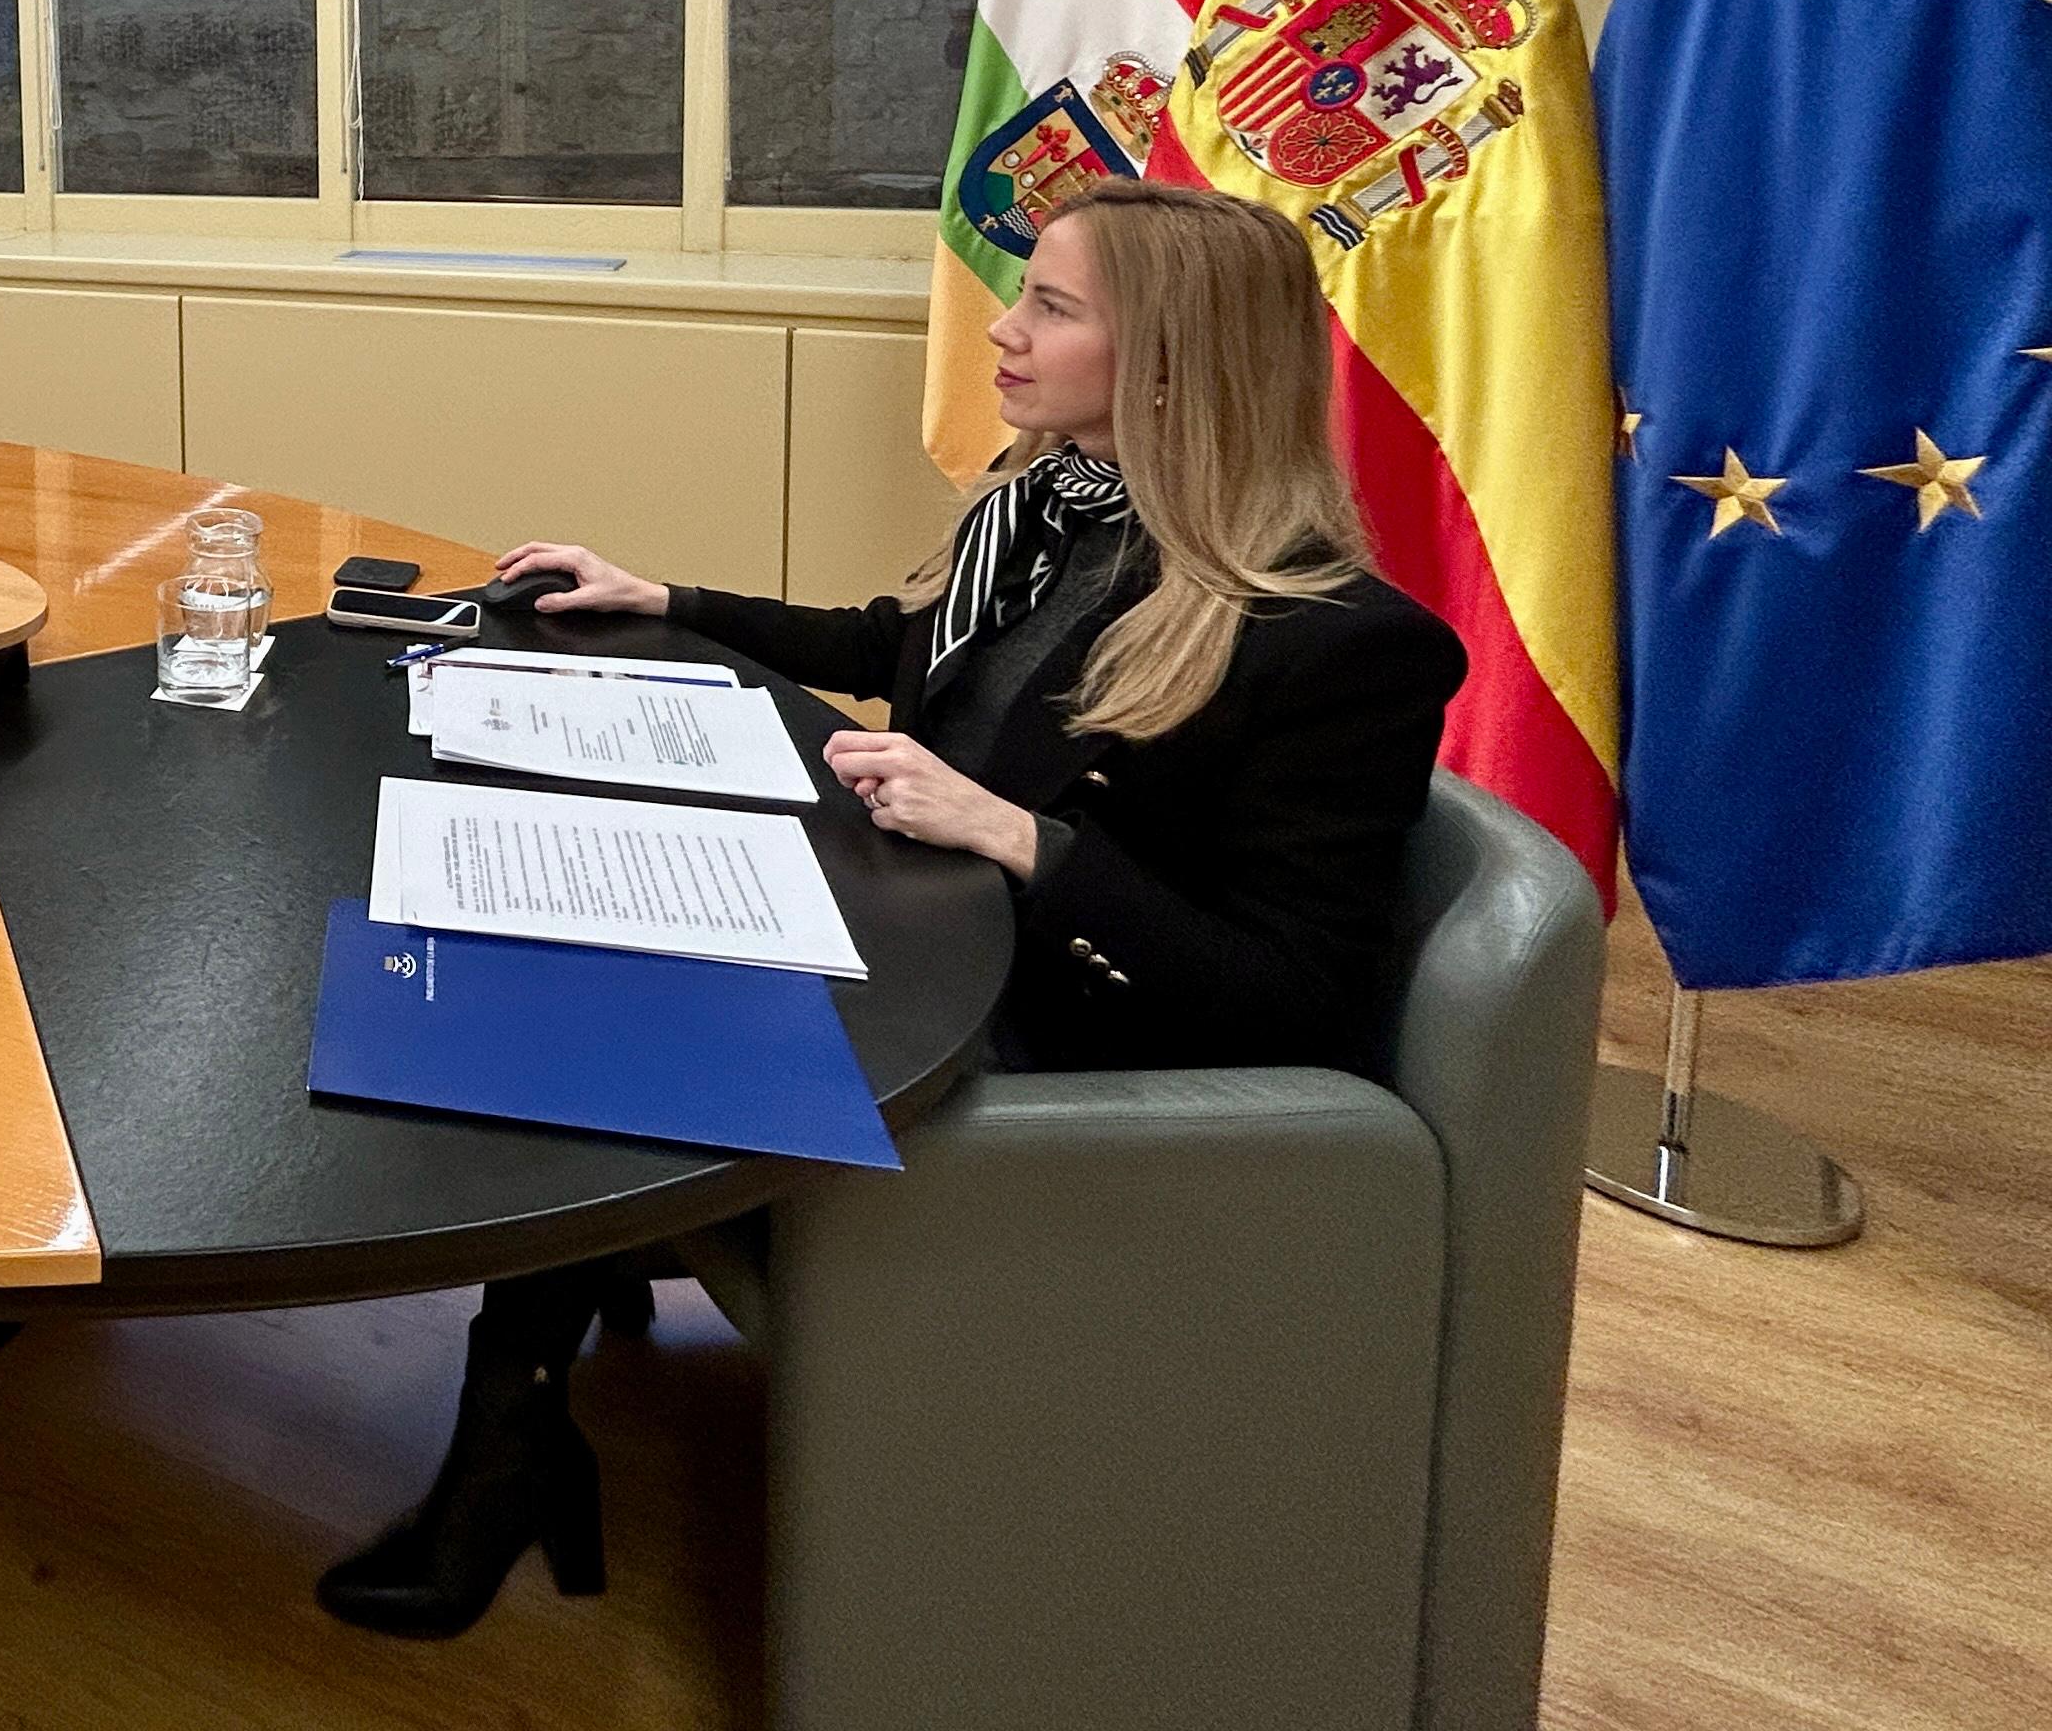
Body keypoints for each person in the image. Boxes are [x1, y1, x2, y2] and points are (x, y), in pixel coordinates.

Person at [316, 178, 1461, 1639]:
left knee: (539, 1015)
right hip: (919, 946)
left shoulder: (1333, 642)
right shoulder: (1060, 511)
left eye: (1051, 306)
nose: (1002, 326)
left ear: (1169, 363)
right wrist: (659, 594)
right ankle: (530, 1385)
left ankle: (511, 1444)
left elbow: (1297, 999)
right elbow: (904, 649)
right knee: (519, 935)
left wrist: (1018, 839)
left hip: (1034, 1037)